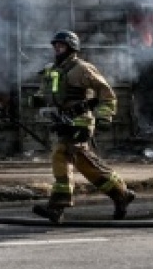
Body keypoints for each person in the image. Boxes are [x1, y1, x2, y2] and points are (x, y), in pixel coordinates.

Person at [27, 30, 135, 223]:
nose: (58, 49)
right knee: (84, 163)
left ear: (72, 47)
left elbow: (106, 93)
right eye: (56, 46)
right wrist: (36, 100)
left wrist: (104, 116)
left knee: (61, 154)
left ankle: (57, 206)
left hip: (81, 121)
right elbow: (46, 93)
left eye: (62, 45)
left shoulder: (83, 69)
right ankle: (120, 194)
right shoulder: (52, 69)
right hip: (62, 121)